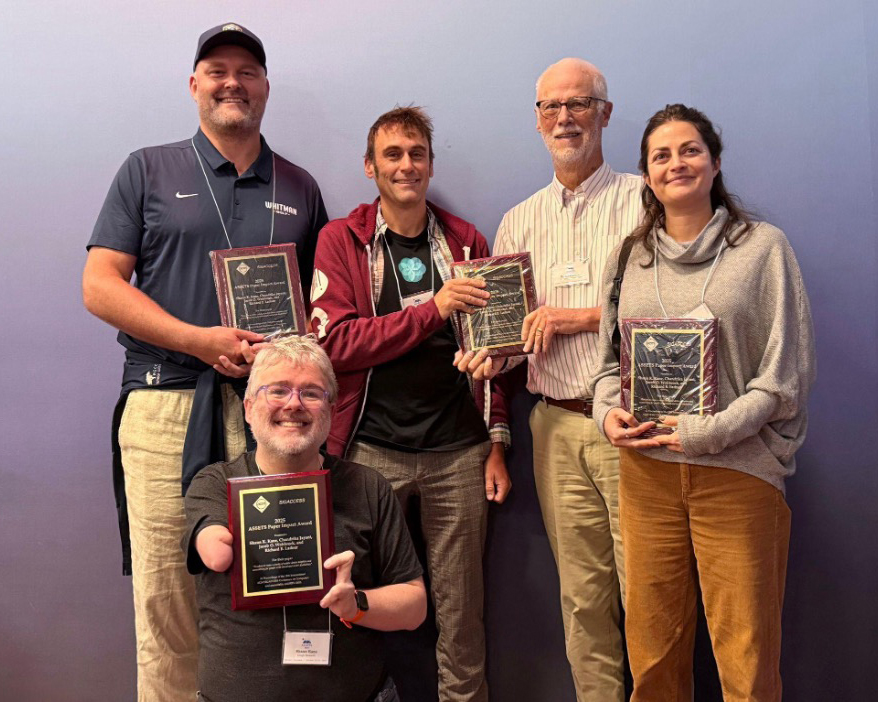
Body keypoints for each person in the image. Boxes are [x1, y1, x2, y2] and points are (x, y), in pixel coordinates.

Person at [82, 23, 327, 701]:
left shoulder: (300, 188)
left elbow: (321, 311)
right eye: (217, 70)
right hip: (166, 404)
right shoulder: (147, 168)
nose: (232, 82)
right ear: (194, 85)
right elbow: (99, 284)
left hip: (274, 417)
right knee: (169, 597)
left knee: (277, 586)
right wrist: (197, 340)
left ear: (266, 88)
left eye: (247, 72)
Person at [590, 104, 815, 701]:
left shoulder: (763, 249)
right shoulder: (628, 258)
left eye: (689, 150)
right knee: (653, 654)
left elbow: (783, 377)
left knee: (746, 655)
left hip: (737, 474)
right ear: (646, 174)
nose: (676, 164)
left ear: (714, 162)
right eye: (660, 156)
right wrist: (606, 412)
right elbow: (611, 366)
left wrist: (705, 433)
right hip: (646, 476)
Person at [310, 106, 511, 702]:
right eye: (392, 154)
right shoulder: (341, 240)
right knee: (355, 602)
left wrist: (497, 441)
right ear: (370, 167)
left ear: (430, 164)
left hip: (459, 454)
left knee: (461, 616)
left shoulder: (465, 240)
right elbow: (336, 343)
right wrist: (434, 310)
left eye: (417, 153)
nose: (406, 165)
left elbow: (493, 353)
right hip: (370, 453)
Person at [460, 58, 641, 700]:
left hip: (633, 426)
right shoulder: (517, 222)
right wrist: (491, 357)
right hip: (555, 427)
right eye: (551, 107)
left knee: (647, 593)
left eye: (579, 103)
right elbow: (514, 339)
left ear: (606, 113)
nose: (564, 118)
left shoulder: (646, 202)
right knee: (583, 599)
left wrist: (579, 317)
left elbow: (673, 310)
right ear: (537, 121)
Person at [183, 336, 426, 702]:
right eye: (278, 390)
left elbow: (414, 607)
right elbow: (216, 555)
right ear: (249, 408)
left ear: (330, 410)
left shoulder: (366, 486)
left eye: (311, 394)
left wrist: (356, 604)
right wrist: (214, 538)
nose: (294, 404)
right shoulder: (215, 483)